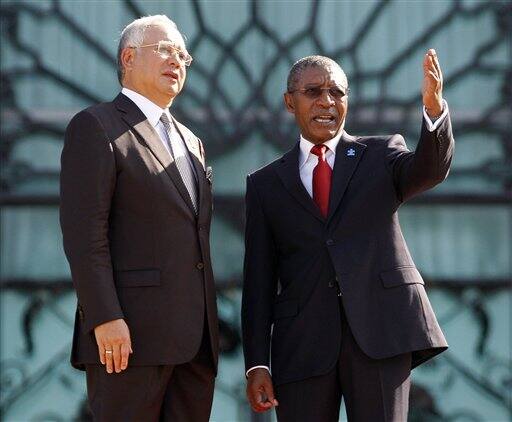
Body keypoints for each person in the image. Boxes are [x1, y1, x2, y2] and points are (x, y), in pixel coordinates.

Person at [242, 50, 453, 421]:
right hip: (302, 344)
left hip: (380, 333)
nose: (327, 101)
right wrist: (257, 363)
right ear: (289, 102)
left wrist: (434, 111)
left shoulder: (381, 154)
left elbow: (429, 170)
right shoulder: (265, 184)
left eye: (337, 92)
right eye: (313, 91)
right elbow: (258, 280)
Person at [60, 15, 218, 421]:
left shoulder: (191, 141)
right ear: (128, 58)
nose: (177, 61)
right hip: (128, 338)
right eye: (165, 50)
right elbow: (84, 235)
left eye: (183, 54)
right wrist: (105, 317)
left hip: (194, 342)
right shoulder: (96, 126)